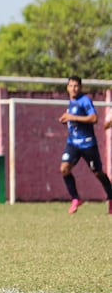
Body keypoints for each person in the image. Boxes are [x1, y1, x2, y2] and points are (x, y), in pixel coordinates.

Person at [60, 75, 112, 215]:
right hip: (73, 143)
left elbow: (94, 118)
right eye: (71, 86)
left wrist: (72, 117)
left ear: (80, 87)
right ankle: (76, 198)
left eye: (76, 86)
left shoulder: (85, 100)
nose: (73, 89)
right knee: (64, 169)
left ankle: (111, 198)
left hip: (88, 144)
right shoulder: (70, 102)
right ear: (67, 87)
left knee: (98, 173)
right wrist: (67, 120)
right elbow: (74, 120)